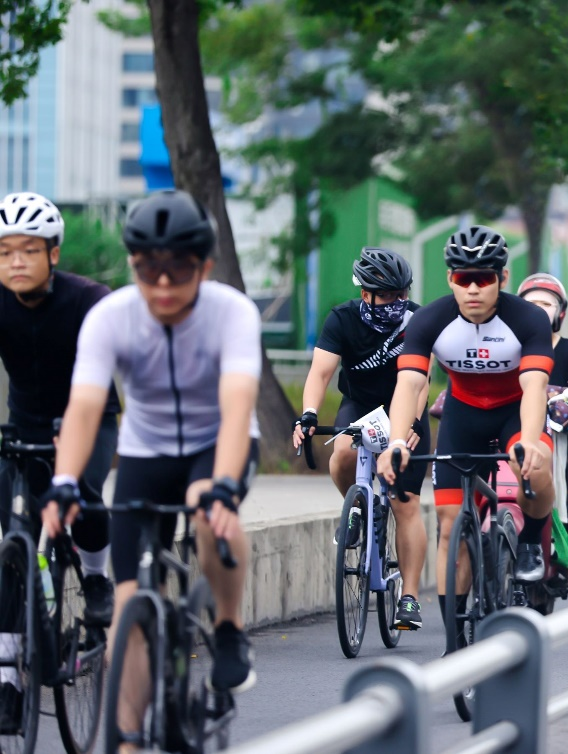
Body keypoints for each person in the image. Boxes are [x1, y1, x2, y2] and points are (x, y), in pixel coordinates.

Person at [43, 190, 262, 722]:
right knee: (125, 611)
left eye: (179, 270)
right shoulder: (111, 316)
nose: (162, 285)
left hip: (217, 443)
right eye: (148, 271)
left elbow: (237, 408)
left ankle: (229, 628)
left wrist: (226, 488)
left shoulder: (231, 311)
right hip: (146, 451)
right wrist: (66, 480)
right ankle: (125, 737)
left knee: (210, 513)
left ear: (204, 266)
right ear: (132, 264)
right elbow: (85, 406)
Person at [376, 225, 556, 627]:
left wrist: (528, 442)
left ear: (503, 279)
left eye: (484, 278)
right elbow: (410, 383)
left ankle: (530, 542)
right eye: (463, 278)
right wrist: (395, 442)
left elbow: (534, 387)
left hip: (515, 409)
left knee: (538, 464)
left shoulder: (528, 319)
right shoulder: (429, 320)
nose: (473, 288)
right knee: (448, 527)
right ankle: (454, 637)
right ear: (449, 280)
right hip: (463, 412)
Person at [0, 192, 120, 726]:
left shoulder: (88, 300)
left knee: (85, 497)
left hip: (90, 424)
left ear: (54, 254)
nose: (15, 262)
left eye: (28, 250)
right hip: (23, 429)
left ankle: (95, 577)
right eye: (4, 252)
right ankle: (7, 677)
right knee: (11, 545)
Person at [292, 248, 429, 630]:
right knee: (340, 457)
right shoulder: (342, 319)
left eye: (401, 295)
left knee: (406, 504)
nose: (395, 303)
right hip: (361, 405)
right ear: (365, 293)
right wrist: (308, 415)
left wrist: (415, 425)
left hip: (407, 409)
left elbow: (421, 381)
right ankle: (358, 508)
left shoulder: (416, 318)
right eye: (386, 296)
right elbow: (320, 375)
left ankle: (410, 598)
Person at [517, 273, 568, 592]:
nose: (537, 310)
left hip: (560, 431)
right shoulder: (511, 346)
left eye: (545, 304)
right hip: (516, 425)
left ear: (560, 312)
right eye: (530, 304)